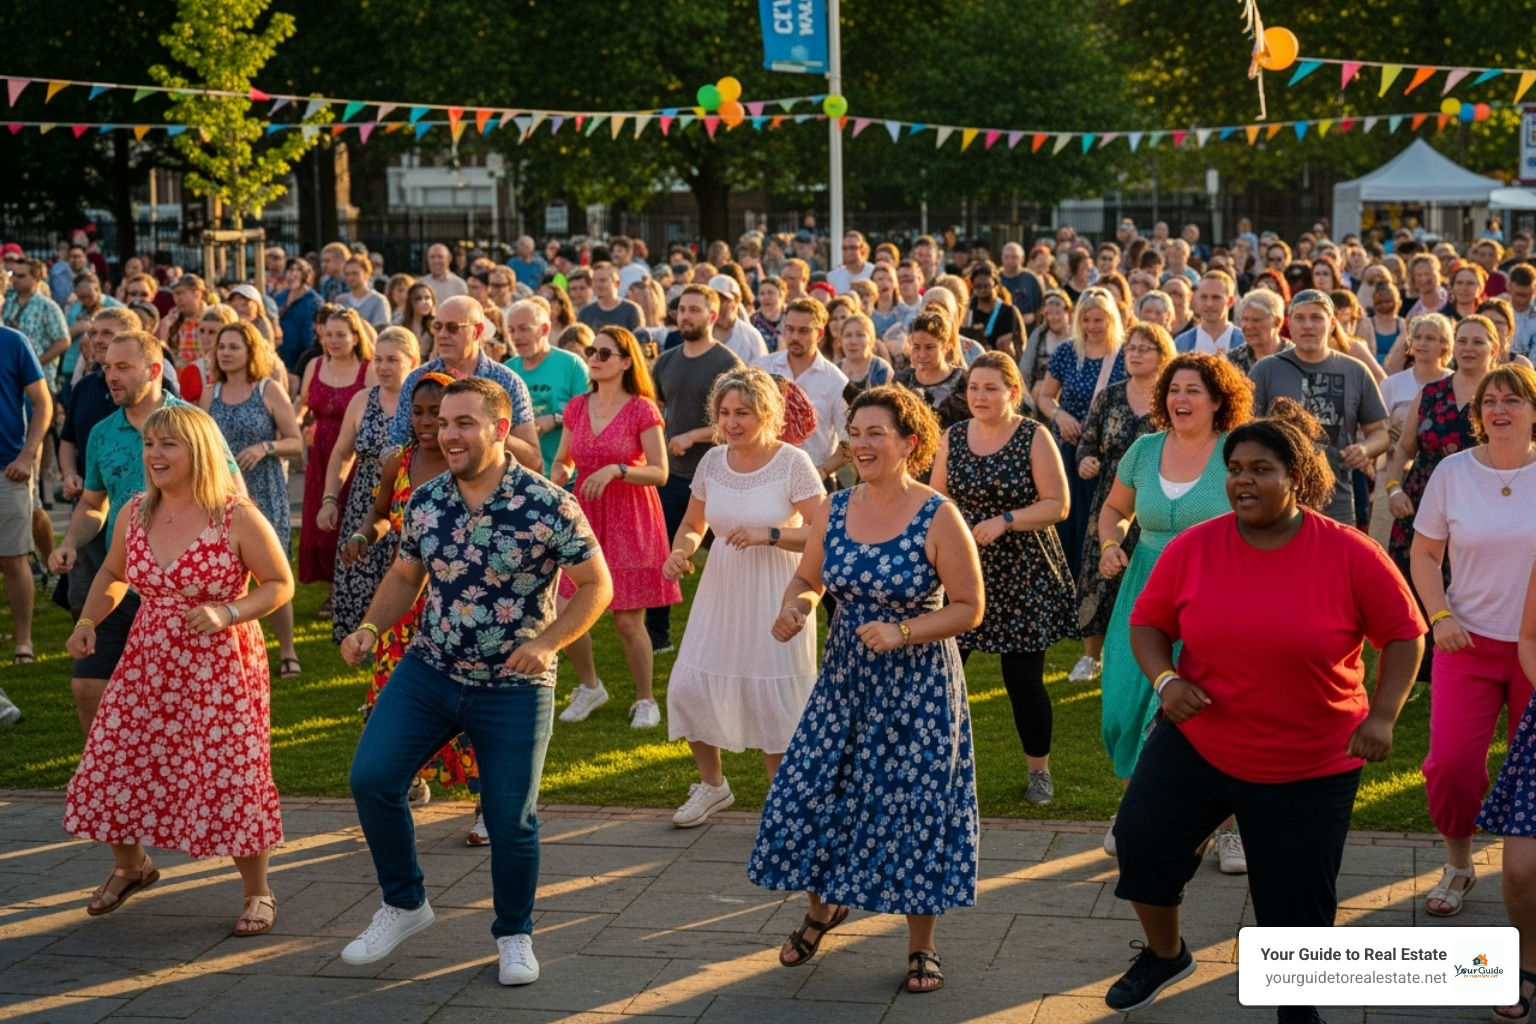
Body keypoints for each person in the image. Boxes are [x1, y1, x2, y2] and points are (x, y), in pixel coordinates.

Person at [1106, 401, 1424, 1023]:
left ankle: (1297, 1008)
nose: (1243, 480)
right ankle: (1165, 955)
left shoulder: (1350, 553)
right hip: (1200, 741)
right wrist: (1167, 681)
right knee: (1141, 845)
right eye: (1235, 469)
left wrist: (1383, 715)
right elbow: (1147, 623)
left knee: (1295, 903)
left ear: (1295, 478)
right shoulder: (1195, 548)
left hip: (1310, 760)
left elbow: (1405, 635)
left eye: (1261, 469)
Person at [340, 377, 611, 985]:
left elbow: (598, 586)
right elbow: (406, 576)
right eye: (443, 423)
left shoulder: (547, 504)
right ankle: (404, 902)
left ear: (500, 428)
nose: (447, 434)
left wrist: (547, 643)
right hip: (430, 669)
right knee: (373, 779)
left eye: (464, 422)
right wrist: (370, 629)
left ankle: (514, 934)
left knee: (510, 819)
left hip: (513, 686)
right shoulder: (426, 500)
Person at [748, 385, 983, 993]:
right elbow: (808, 578)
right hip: (845, 683)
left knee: (914, 812)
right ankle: (823, 908)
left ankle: (922, 944)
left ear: (909, 444)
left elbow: (969, 607)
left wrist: (904, 631)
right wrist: (796, 608)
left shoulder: (938, 514)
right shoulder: (834, 507)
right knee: (811, 795)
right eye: (855, 432)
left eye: (876, 433)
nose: (861, 444)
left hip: (919, 690)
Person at [62, 403, 293, 936]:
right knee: (113, 759)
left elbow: (280, 584)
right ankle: (132, 867)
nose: (154, 454)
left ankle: (258, 891)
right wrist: (89, 621)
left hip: (220, 668)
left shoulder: (235, 515)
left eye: (168, 444)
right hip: (147, 661)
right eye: (149, 444)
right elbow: (114, 572)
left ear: (200, 451)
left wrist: (228, 612)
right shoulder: (135, 511)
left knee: (231, 774)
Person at [1098, 353, 1253, 863]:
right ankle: (1135, 809)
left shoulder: (1235, 451)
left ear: (1218, 401)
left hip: (1214, 593)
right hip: (1144, 587)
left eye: (1193, 391)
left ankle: (1227, 828)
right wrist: (1110, 544)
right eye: (1173, 390)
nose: (1180, 399)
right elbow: (1115, 509)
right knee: (1123, 706)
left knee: (1207, 711)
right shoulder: (1144, 450)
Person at [50, 331, 242, 731]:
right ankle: (103, 765)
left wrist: (231, 584)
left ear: (154, 370)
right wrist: (70, 541)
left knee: (174, 705)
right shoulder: (102, 432)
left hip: (187, 588)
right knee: (87, 684)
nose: (111, 376)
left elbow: (232, 494)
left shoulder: (193, 424)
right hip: (124, 578)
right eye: (106, 367)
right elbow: (93, 504)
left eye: (123, 367)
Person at [661, 367, 825, 826]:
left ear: (766, 414)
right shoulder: (713, 462)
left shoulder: (792, 462)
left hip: (778, 589)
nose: (731, 422)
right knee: (689, 686)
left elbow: (824, 532)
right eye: (725, 412)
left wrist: (770, 533)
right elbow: (693, 523)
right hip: (721, 587)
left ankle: (784, 804)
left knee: (772, 695)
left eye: (743, 413)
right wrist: (681, 552)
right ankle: (713, 786)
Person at [1408, 364, 1536, 920]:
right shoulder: (1453, 472)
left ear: (1534, 411)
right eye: (1490, 401)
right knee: (1452, 767)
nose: (1500, 409)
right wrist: (1438, 616)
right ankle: (1459, 864)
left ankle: (1525, 874)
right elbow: (1423, 554)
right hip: (1466, 642)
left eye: (1513, 399)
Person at [931, 352, 1072, 804]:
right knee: (940, 672)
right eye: (974, 387)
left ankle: (1039, 772)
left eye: (990, 388)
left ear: (1013, 392)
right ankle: (934, 765)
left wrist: (1006, 520)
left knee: (1023, 681)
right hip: (963, 568)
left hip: (1022, 571)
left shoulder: (1033, 435)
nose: (980, 396)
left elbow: (1057, 505)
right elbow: (936, 499)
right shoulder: (953, 436)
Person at [344, 373, 468, 830]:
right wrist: (364, 535)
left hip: (457, 603)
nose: (426, 421)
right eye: (418, 412)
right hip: (402, 599)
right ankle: (408, 780)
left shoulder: (464, 463)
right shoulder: (398, 460)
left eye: (436, 412)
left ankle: (486, 803)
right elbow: (381, 514)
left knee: (467, 701)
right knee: (393, 695)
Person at [550, 327, 681, 727]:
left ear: (626, 362)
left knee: (627, 621)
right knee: (564, 608)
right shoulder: (577, 406)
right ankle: (590, 686)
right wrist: (557, 475)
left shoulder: (642, 409)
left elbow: (660, 472)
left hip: (631, 516)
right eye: (592, 351)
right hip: (584, 515)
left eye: (604, 353)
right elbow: (563, 460)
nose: (594, 357)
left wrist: (616, 470)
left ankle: (645, 699)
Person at [1074, 323, 1174, 691]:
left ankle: (1146, 657)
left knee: (1147, 579)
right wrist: (1085, 461)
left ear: (1163, 356)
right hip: (1111, 498)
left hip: (1155, 497)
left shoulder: (1170, 399)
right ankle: (1092, 656)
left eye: (1145, 348)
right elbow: (1086, 443)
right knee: (1098, 574)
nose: (1135, 354)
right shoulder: (1109, 396)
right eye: (1130, 348)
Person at [201, 321, 304, 677]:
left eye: (234, 347)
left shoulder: (268, 389)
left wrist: (265, 447)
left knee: (272, 573)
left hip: (264, 493)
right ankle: (233, 649)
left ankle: (287, 650)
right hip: (220, 497)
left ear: (251, 352)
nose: (225, 353)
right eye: (221, 347)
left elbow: (296, 441)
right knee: (224, 575)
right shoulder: (210, 394)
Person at [645, 286, 744, 654]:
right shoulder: (665, 361)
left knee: (731, 553)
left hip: (720, 475)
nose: (685, 316)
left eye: (694, 310)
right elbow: (656, 409)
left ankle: (739, 624)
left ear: (712, 316)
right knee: (664, 552)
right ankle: (658, 635)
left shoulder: (727, 363)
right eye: (682, 309)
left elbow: (738, 420)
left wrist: (693, 435)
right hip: (672, 475)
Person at [1249, 290, 1389, 527]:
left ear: (1332, 324)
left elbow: (1380, 432)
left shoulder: (1355, 370)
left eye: (1316, 317)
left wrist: (1364, 449)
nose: (1308, 325)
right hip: (1277, 499)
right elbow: (1245, 432)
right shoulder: (1265, 370)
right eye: (1300, 318)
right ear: (1289, 324)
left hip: (1337, 501)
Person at [319, 326, 421, 646]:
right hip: (363, 505)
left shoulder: (422, 403)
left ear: (413, 361)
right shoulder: (362, 400)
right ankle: (361, 645)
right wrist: (330, 499)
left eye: (392, 360)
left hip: (408, 504)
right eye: (378, 359)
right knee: (359, 577)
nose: (383, 367)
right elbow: (342, 453)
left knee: (405, 582)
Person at [1038, 287, 1128, 627]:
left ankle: (1099, 594)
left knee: (1102, 516)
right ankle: (1068, 597)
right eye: (1086, 319)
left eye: (1099, 319)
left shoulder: (1123, 353)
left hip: (1109, 452)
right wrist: (1059, 415)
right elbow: (1045, 396)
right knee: (1069, 521)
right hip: (1069, 446)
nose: (1092, 326)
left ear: (1111, 319)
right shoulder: (1067, 351)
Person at [390, 295, 541, 472]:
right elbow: (397, 446)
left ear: (477, 331)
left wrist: (491, 430)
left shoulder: (507, 382)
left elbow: (534, 462)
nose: (442, 334)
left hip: (491, 486)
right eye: (437, 327)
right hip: (427, 483)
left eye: (453, 328)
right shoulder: (417, 379)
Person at [296, 308, 372, 619]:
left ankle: (342, 590)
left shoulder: (368, 370)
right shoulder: (314, 365)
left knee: (350, 521)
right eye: (328, 334)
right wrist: (295, 425)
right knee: (322, 526)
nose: (334, 340)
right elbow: (303, 404)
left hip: (353, 453)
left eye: (341, 334)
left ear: (356, 337)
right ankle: (331, 585)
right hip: (320, 452)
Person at [0, 280, 50, 668]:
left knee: (14, 558)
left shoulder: (14, 342)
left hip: (8, 468)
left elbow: (42, 403)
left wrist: (27, 455)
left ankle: (24, 642)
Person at [1372, 314, 1454, 550]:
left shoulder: (1454, 383)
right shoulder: (1392, 384)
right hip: (1392, 474)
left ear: (1444, 345)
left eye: (1430, 338)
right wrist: (1388, 436)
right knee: (1384, 544)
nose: (1422, 343)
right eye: (1417, 337)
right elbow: (1376, 428)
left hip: (1441, 478)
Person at [752, 298, 849, 486]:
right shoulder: (761, 368)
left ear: (820, 334)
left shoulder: (836, 381)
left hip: (814, 480)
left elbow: (849, 442)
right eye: (790, 329)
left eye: (804, 331)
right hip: (764, 476)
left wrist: (822, 471)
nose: (794, 337)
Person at [507, 299, 589, 475]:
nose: (516, 337)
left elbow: (591, 413)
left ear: (544, 329)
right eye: (511, 330)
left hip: (568, 476)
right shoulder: (506, 371)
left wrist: (556, 419)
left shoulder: (571, 365)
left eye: (524, 329)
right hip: (522, 477)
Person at [895, 307, 970, 435]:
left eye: (929, 347)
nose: (922, 355)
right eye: (916, 347)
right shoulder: (901, 382)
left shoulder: (964, 382)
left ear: (946, 346)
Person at [1173, 272, 1239, 355]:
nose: (1209, 304)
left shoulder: (1244, 342)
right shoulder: (1181, 343)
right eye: (1204, 297)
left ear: (1230, 301)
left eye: (1216, 297)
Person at [275, 259, 323, 370]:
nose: (293, 274)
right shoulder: (280, 297)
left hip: (304, 357)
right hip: (283, 355)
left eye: (298, 270)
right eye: (290, 269)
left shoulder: (314, 301)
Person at [837, 311, 894, 396]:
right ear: (841, 341)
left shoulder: (882, 370)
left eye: (860, 335)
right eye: (848, 335)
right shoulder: (836, 371)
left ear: (871, 340)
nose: (853, 341)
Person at [575, 262, 643, 332]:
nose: (598, 285)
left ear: (616, 283)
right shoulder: (585, 313)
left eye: (602, 280)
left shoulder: (631, 310)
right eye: (594, 281)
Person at [336, 253, 392, 328]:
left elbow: (381, 329)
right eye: (347, 274)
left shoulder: (379, 300)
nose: (350, 278)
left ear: (366, 273)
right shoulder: (341, 301)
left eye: (355, 273)